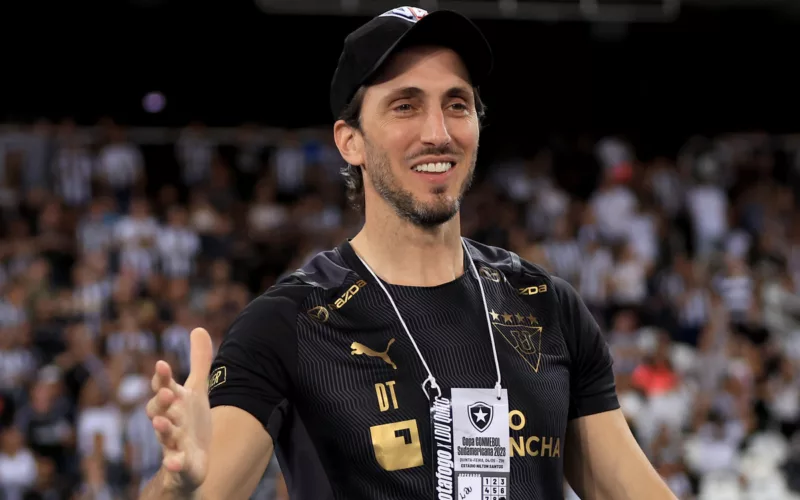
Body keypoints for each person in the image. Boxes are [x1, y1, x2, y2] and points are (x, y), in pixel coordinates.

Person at [140, 6, 677, 499]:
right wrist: (175, 483)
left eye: (456, 104)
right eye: (405, 106)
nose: (437, 133)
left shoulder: (548, 309)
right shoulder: (289, 323)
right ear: (350, 141)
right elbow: (204, 486)